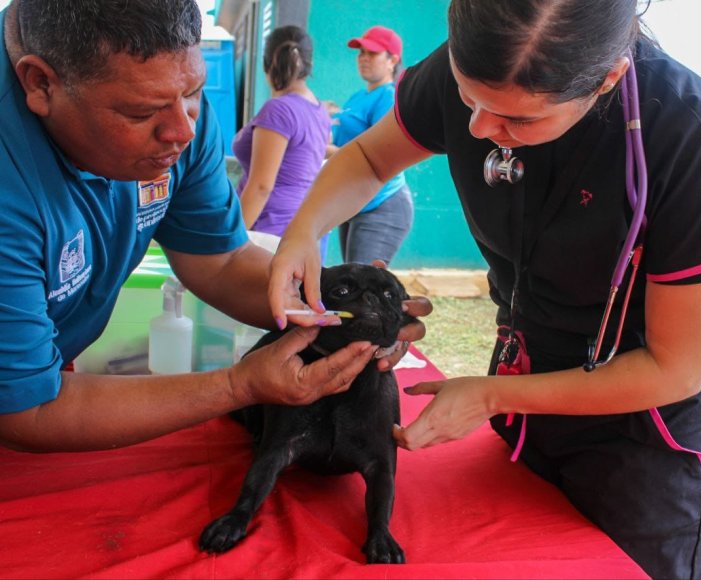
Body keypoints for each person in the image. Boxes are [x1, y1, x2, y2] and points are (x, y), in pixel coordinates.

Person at [268, 1, 701, 577]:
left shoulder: (691, 139)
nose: (479, 130)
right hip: (528, 381)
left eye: (518, 121)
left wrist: (492, 395)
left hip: (643, 426)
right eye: (469, 98)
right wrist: (303, 233)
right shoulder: (482, 61)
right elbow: (367, 156)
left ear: (609, 77)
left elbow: (675, 367)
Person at [0, 0, 428, 454]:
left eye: (193, 94)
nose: (183, 132)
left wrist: (342, 311)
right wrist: (238, 386)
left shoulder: (169, 103)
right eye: (140, 114)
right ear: (41, 84)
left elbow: (221, 260)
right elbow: (29, 410)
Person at [232, 25, 332, 261]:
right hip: (301, 228)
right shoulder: (318, 110)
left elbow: (261, 186)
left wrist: (231, 242)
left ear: (267, 63)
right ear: (309, 64)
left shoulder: (279, 110)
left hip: (269, 231)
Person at [326, 25, 414, 266]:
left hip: (382, 205)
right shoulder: (358, 97)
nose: (363, 58)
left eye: (372, 53)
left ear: (392, 60)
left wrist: (322, 150)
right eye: (361, 52)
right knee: (352, 286)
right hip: (355, 202)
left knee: (362, 289)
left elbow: (380, 154)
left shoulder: (388, 96)